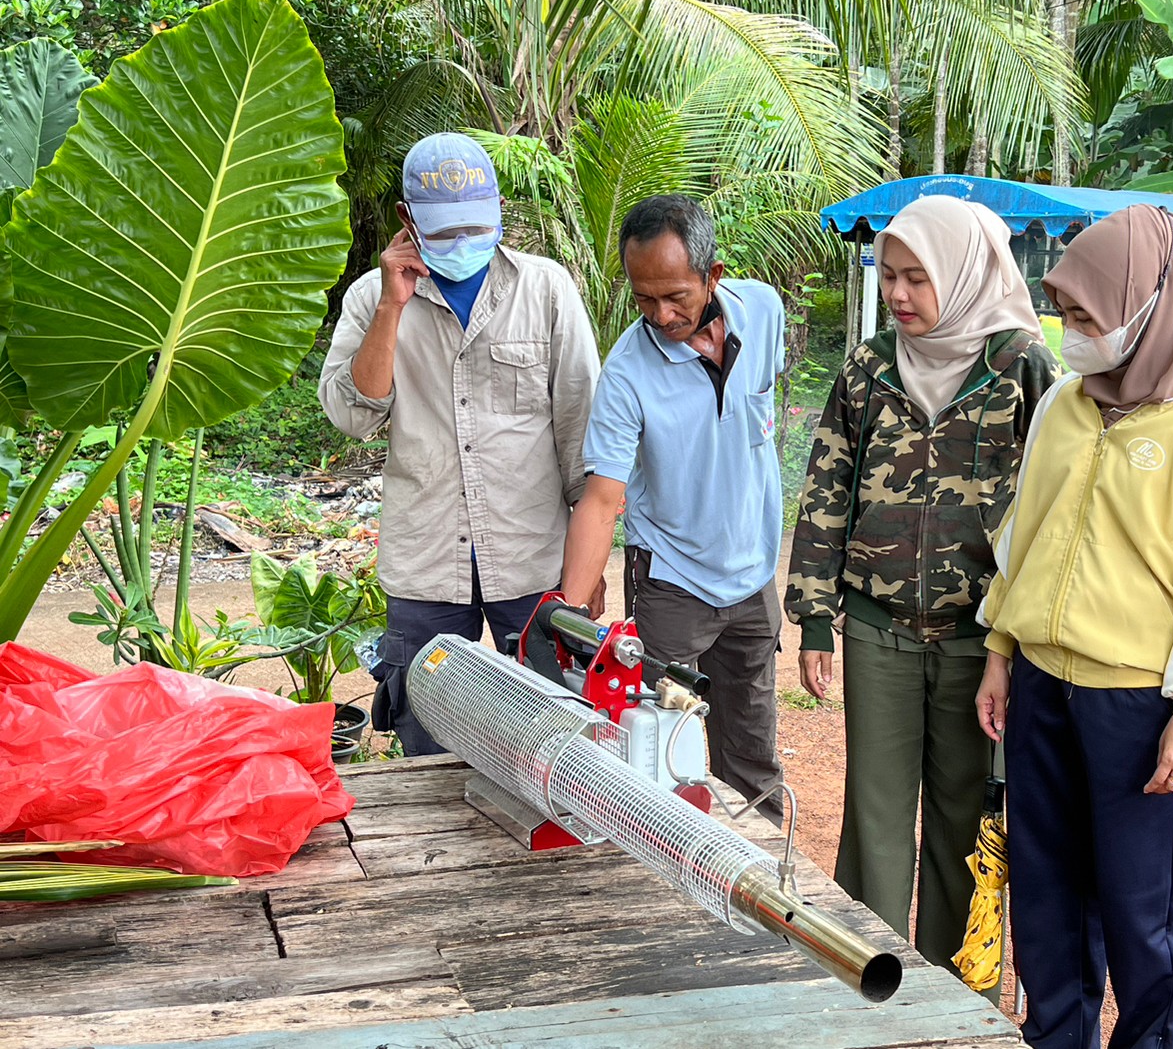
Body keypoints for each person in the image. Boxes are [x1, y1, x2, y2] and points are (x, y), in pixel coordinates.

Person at [975, 205, 1173, 1049]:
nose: (1071, 336)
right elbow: (1022, 533)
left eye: (1086, 319)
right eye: (1064, 316)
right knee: (1048, 894)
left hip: (1140, 705)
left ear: (1150, 309)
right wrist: (1001, 649)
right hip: (1041, 684)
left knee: (1145, 909)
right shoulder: (1066, 402)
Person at [784, 195, 1060, 976]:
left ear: (967, 275)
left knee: (962, 814)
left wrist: (1023, 637)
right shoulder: (868, 368)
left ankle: (949, 985)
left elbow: (1053, 505)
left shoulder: (1022, 368)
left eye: (917, 278)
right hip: (878, 627)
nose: (898, 294)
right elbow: (826, 492)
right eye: (889, 276)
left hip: (984, 640)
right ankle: (861, 979)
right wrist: (812, 616)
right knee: (873, 813)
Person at [320, 132, 600, 755]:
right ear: (406, 220)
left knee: (555, 737)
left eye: (479, 225)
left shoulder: (546, 289)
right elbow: (352, 415)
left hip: (532, 557)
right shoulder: (371, 297)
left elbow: (583, 433)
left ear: (500, 209)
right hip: (425, 563)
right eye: (444, 232)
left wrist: (588, 567)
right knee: (427, 732)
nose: (464, 243)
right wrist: (393, 308)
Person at [560, 194, 787, 825]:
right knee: (664, 752)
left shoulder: (764, 311)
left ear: (713, 276)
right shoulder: (627, 372)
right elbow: (603, 497)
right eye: (643, 299)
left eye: (676, 297)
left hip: (752, 574)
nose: (660, 315)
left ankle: (764, 898)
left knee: (753, 757)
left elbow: (756, 414)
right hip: (671, 584)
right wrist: (570, 615)